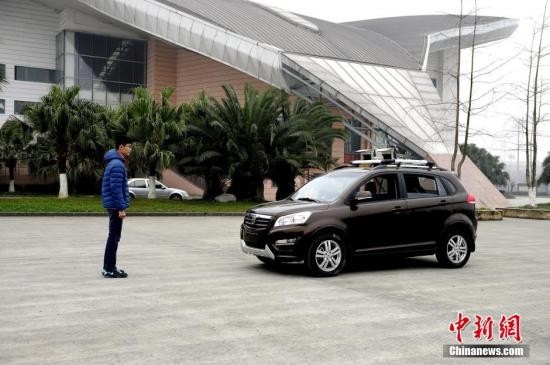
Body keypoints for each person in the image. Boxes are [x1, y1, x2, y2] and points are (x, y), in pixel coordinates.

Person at [101, 135, 132, 278]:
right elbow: (116, 189)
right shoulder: (117, 164)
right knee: (113, 237)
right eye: (129, 146)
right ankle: (108, 268)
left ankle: (110, 267)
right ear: (121, 147)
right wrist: (121, 208)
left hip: (113, 206)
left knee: (113, 237)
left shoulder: (115, 163)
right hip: (115, 207)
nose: (130, 149)